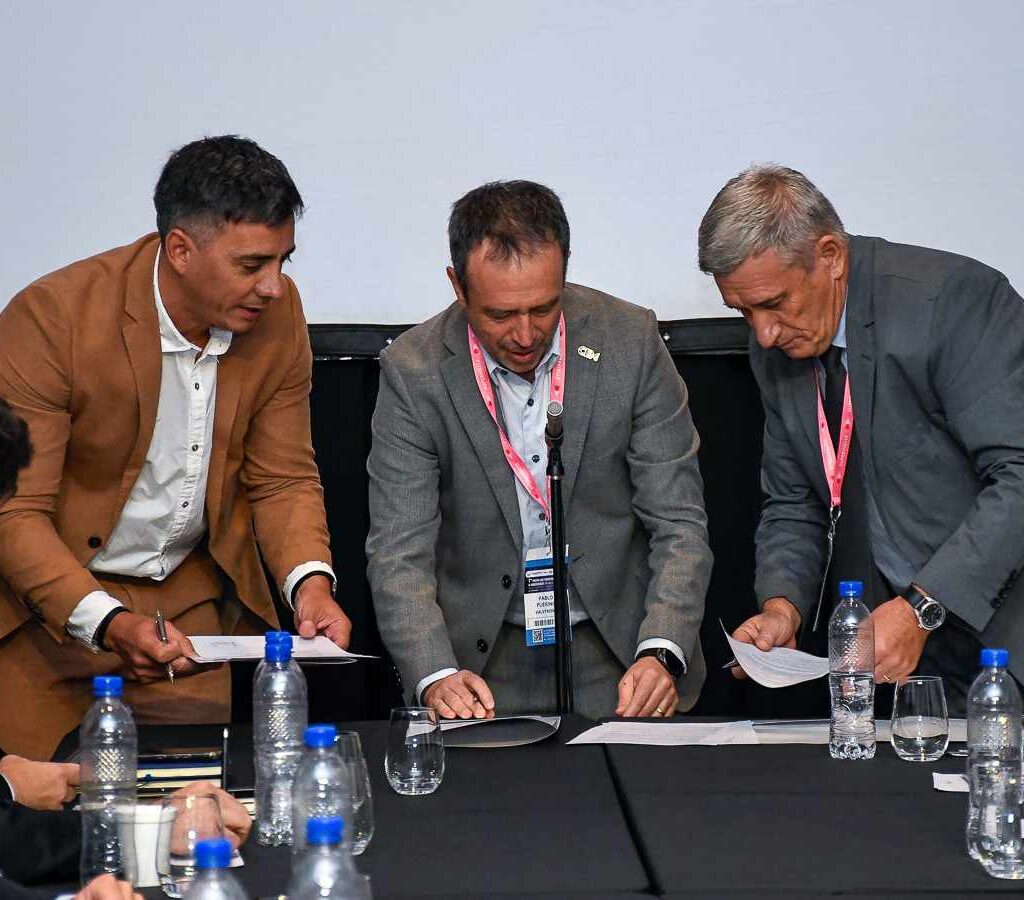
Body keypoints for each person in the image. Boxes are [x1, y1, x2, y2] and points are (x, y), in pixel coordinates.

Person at [0, 136, 351, 759]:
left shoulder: (278, 316)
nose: (273, 287)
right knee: (38, 822)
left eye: (283, 261)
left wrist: (310, 587)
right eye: (251, 265)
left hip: (186, 626)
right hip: (44, 618)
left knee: (204, 811)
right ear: (181, 250)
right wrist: (107, 623)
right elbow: (13, 512)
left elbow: (283, 479)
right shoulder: (52, 319)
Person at [367, 180, 712, 720]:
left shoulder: (631, 341)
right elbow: (398, 550)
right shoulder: (414, 372)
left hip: (621, 653)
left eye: (544, 308)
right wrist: (434, 674)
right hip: (480, 668)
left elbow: (679, 523)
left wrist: (661, 649)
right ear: (457, 286)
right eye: (501, 315)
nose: (526, 334)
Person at [699, 164, 1024, 714]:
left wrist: (923, 607)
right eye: (744, 312)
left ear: (831, 256)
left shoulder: (950, 302)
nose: (763, 333)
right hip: (901, 660)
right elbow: (794, 499)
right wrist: (783, 607)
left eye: (775, 303)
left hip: (1004, 634)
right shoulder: (776, 347)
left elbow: (1018, 474)